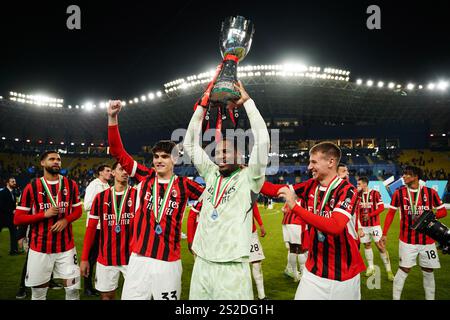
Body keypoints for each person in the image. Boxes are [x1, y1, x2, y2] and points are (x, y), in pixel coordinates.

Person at [107, 100, 204, 300]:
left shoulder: (186, 185)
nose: (159, 160)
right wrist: (112, 117)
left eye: (165, 156)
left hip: (168, 262)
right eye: (156, 156)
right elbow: (118, 152)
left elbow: (215, 198)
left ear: (175, 160)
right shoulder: (146, 176)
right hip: (139, 259)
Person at [184, 79, 270, 300]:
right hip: (202, 262)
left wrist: (248, 103)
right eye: (218, 151)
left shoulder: (250, 178)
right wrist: (202, 108)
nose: (220, 155)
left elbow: (263, 142)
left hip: (232, 266)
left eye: (227, 151)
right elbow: (189, 145)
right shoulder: (211, 174)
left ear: (240, 156)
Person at [276, 142, 365, 300]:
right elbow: (279, 189)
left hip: (343, 274)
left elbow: (336, 226)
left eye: (313, 162)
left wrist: (295, 207)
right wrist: (251, 177)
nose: (309, 167)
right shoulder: (311, 185)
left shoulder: (348, 190)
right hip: (314, 271)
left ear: (331, 162)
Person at [14, 151, 83, 300]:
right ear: (42, 163)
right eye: (52, 159)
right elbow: (18, 219)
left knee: (73, 289)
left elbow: (78, 211)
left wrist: (66, 220)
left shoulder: (71, 185)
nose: (56, 161)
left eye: (58, 159)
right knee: (38, 294)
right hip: (40, 249)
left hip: (67, 249)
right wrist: (43, 215)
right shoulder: (31, 187)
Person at [382, 165, 447, 300]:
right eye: (403, 174)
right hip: (407, 240)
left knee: (428, 271)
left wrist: (431, 215)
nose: (403, 176)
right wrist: (384, 233)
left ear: (416, 176)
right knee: (404, 269)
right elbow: (390, 214)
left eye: (407, 174)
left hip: (428, 241)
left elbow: (443, 211)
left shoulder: (430, 193)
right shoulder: (398, 193)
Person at [80, 162, 137, 300]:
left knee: (136, 296)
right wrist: (84, 258)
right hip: (106, 256)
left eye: (127, 170)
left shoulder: (138, 196)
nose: (125, 172)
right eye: (121, 169)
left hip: (133, 258)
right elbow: (91, 228)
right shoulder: (100, 197)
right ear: (113, 172)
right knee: (106, 297)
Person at [82, 164, 112, 297]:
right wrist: (103, 205)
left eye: (111, 171)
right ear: (100, 172)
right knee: (91, 259)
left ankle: (100, 283)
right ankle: (87, 287)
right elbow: (87, 205)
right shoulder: (94, 185)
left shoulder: (107, 186)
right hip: (95, 228)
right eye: (107, 171)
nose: (110, 173)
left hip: (105, 227)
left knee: (102, 258)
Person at [356, 176, 393, 281]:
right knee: (367, 245)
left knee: (380, 246)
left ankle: (389, 270)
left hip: (374, 225)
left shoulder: (375, 193)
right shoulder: (357, 195)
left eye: (359, 184)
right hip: (363, 226)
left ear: (365, 184)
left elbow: (381, 207)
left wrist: (370, 215)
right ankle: (371, 267)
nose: (357, 186)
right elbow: (356, 212)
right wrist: (359, 227)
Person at [0, 177, 19, 255]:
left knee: (14, 233)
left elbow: (12, 205)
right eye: (12, 181)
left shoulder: (13, 192)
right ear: (7, 183)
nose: (14, 183)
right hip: (2, 217)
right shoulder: (2, 192)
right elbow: (1, 205)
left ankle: (14, 250)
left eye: (15, 181)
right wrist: (11, 210)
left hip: (11, 217)